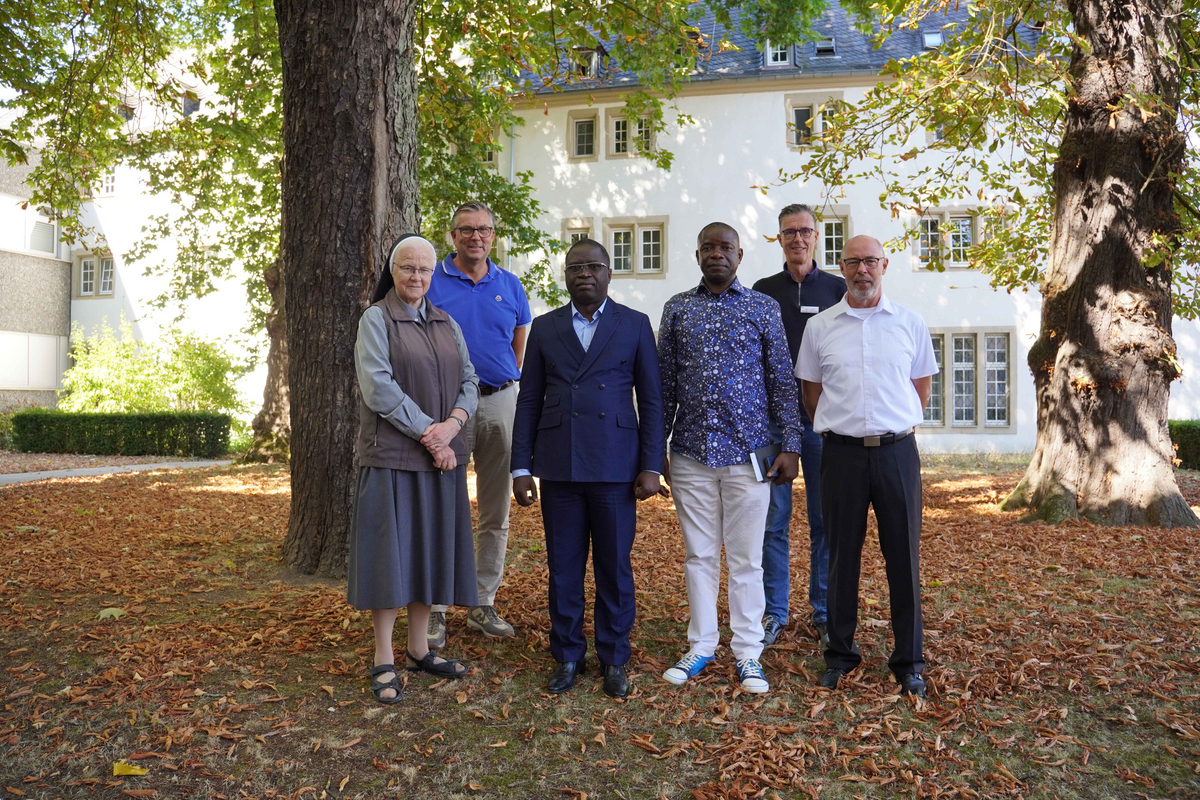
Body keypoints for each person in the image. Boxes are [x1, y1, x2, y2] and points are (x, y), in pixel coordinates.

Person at [511, 239, 666, 698]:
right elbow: (529, 402)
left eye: (594, 266)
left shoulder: (635, 325)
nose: (585, 273)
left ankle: (614, 657)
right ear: (565, 275)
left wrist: (651, 465)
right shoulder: (544, 327)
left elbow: (652, 401)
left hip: (617, 465)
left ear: (609, 273)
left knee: (614, 566)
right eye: (576, 267)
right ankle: (568, 655)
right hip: (559, 465)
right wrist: (522, 467)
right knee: (563, 568)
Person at [657, 222, 802, 695]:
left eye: (725, 248)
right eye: (708, 248)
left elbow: (783, 383)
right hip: (691, 455)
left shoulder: (763, 308)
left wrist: (792, 446)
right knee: (699, 556)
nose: (716, 254)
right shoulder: (677, 308)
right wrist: (653, 450)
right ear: (697, 255)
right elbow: (665, 387)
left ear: (739, 255)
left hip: (750, 456)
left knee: (746, 560)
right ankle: (701, 645)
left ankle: (748, 653)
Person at [796, 235, 936, 698]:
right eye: (853, 262)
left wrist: (890, 428)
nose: (862, 270)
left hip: (897, 453)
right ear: (841, 266)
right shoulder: (820, 328)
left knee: (905, 558)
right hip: (842, 455)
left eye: (870, 261)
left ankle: (909, 661)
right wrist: (845, 429)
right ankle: (840, 655)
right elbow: (811, 397)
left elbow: (920, 389)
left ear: (884, 265)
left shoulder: (909, 323)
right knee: (840, 558)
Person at [347, 235, 480, 705]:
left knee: (428, 554)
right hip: (393, 459)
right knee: (389, 558)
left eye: (425, 270)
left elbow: (469, 379)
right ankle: (384, 656)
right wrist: (431, 433)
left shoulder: (447, 323)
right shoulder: (376, 320)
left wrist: (452, 427)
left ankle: (419, 648)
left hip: (440, 460)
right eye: (408, 268)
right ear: (393, 269)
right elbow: (378, 387)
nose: (417, 277)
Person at [425, 202, 533, 647]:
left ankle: (483, 601)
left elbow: (518, 342)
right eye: (466, 230)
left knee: (496, 511)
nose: (476, 237)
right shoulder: (432, 281)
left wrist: (504, 388)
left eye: (483, 230)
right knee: (441, 507)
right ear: (453, 236)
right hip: (446, 410)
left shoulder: (509, 284)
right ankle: (434, 608)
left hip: (500, 402)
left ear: (493, 235)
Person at [751, 204, 846, 648]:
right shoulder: (762, 291)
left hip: (826, 423)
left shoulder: (839, 288)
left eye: (805, 230)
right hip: (772, 424)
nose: (798, 239)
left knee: (827, 521)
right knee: (772, 521)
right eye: (789, 232)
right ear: (780, 238)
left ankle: (824, 612)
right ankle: (775, 612)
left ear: (816, 235)